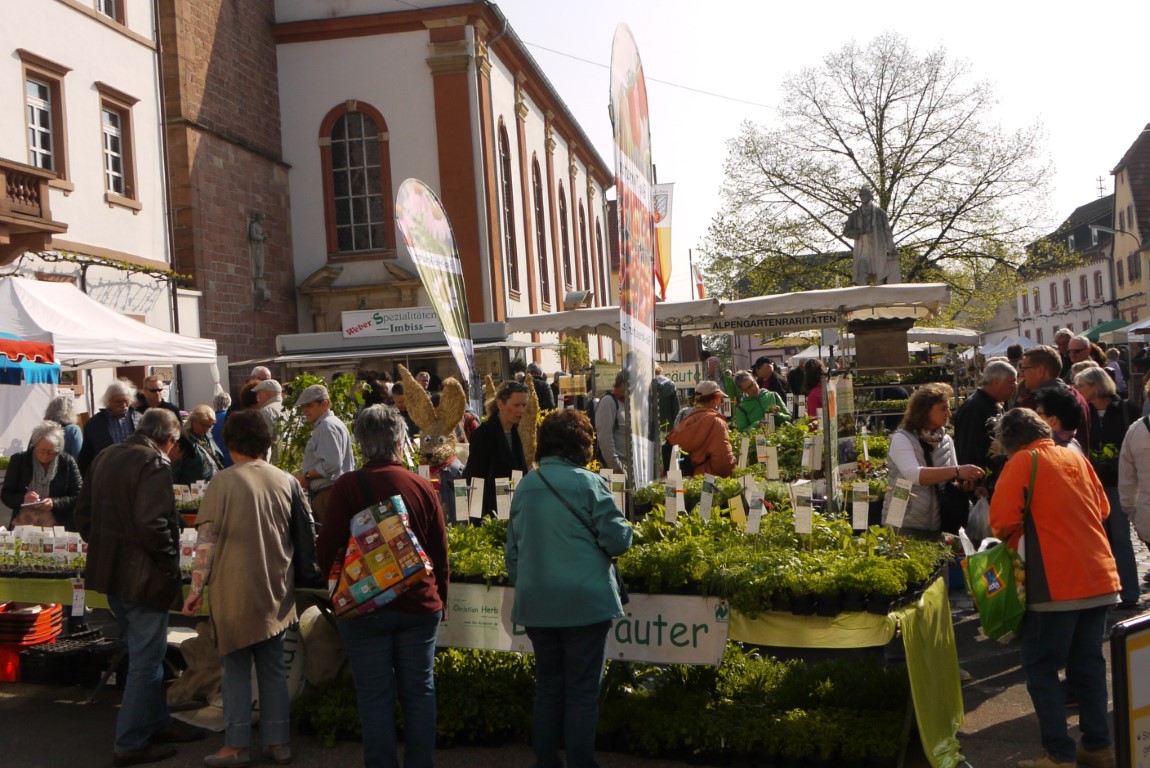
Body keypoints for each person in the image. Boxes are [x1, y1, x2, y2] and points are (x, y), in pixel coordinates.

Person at [316, 405, 449, 768]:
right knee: (420, 691)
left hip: (362, 608)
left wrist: (342, 581)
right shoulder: (422, 485)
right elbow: (439, 553)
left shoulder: (347, 486)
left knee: (374, 696)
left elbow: (326, 548)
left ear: (360, 441)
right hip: (419, 606)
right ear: (399, 439)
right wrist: (442, 603)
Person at [988, 408, 1118, 768]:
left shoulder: (1022, 463)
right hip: (1099, 574)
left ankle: (1059, 754)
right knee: (1088, 665)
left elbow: (1001, 523)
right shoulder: (1074, 455)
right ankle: (1097, 745)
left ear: (1010, 441)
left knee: (1041, 665)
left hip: (1054, 581)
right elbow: (1103, 508)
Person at [75, 409, 205, 766]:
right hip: (141, 576)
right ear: (170, 440)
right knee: (147, 660)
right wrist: (168, 565)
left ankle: (155, 723)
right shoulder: (154, 462)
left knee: (145, 653)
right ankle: (130, 742)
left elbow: (83, 515)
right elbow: (154, 524)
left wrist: (107, 545)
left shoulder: (108, 455)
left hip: (113, 573)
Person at [505, 409, 632, 768]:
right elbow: (619, 540)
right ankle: (580, 762)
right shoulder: (590, 483)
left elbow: (512, 551)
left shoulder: (527, 485)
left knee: (548, 687)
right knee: (581, 690)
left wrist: (531, 583)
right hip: (585, 603)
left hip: (538, 603)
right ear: (582, 445)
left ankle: (545, 761)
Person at [182, 411, 295, 767]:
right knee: (273, 669)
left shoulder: (222, 482)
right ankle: (279, 743)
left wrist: (195, 588)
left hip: (234, 589)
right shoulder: (285, 480)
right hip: (276, 587)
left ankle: (235, 745)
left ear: (230, 445)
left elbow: (207, 543)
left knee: (234, 670)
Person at [1073, 365, 1142, 610]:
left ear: (1097, 386)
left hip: (1119, 483)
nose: (1078, 391)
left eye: (1082, 386)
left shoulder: (1125, 409)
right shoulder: (1082, 413)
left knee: (1121, 538)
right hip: (1092, 484)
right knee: (1100, 539)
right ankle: (1106, 588)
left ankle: (1129, 592)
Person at [883, 383, 985, 537]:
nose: (949, 414)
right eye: (943, 409)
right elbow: (914, 475)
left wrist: (966, 485)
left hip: (938, 522)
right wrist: (957, 471)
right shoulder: (902, 439)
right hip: (904, 523)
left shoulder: (945, 440)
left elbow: (950, 479)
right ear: (924, 411)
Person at [463, 380, 530, 517]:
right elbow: (475, 476)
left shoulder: (514, 431)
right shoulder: (484, 433)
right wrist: (476, 519)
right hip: (491, 512)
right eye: (516, 405)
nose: (521, 410)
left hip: (513, 507)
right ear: (500, 404)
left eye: (524, 405)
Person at [1, 421, 82, 529]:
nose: (45, 456)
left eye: (52, 452)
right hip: (23, 524)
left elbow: (78, 496)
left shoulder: (67, 462)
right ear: (34, 446)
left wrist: (54, 503)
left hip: (57, 525)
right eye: (41, 451)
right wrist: (23, 499)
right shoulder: (19, 460)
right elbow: (6, 494)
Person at [294, 384, 355, 524]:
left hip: (329, 492)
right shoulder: (330, 424)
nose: (305, 410)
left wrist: (307, 476)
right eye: (303, 406)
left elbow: (332, 463)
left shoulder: (327, 426)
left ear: (325, 403)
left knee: (332, 541)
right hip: (332, 491)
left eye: (309, 405)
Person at [1016, 345, 1090, 449]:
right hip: (1078, 460)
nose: (1022, 374)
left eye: (1024, 369)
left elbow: (1023, 447)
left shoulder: (1033, 402)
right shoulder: (1078, 395)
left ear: (1041, 370)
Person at [952, 361, 1015, 471]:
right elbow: (968, 449)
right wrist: (976, 482)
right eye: (1011, 382)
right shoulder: (974, 408)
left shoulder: (992, 403)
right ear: (996, 382)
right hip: (980, 481)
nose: (1015, 386)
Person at [666, 381, 736, 478]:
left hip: (683, 481)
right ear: (715, 400)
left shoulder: (685, 419)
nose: (720, 403)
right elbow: (723, 462)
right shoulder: (716, 423)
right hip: (709, 481)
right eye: (720, 399)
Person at [78, 380, 143, 476]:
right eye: (118, 401)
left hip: (134, 472)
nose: (123, 405)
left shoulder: (139, 419)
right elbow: (86, 455)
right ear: (108, 401)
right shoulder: (95, 423)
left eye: (126, 401)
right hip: (106, 474)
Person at [842, 185, 899, 286]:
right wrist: (858, 233)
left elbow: (887, 232)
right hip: (862, 251)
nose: (862, 197)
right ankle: (862, 300)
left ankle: (880, 300)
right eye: (861, 195)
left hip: (877, 251)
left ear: (870, 196)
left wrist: (891, 249)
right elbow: (846, 231)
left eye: (865, 194)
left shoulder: (880, 213)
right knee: (861, 276)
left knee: (879, 280)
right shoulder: (854, 215)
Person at [1033, 386, 1084, 454]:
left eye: (1039, 413)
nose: (1034, 417)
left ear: (1052, 420)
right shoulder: (1073, 444)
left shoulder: (1060, 452)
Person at [594, 371, 628, 471]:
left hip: (636, 471)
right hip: (620, 470)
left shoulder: (633, 404)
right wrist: (617, 467)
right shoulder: (608, 402)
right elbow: (605, 438)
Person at [253, 379, 286, 461]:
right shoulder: (292, 408)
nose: (257, 397)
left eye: (259, 393)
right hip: (292, 463)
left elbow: (264, 444)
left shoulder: (265, 412)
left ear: (267, 395)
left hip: (275, 463)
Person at [43, 394, 83, 461]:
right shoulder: (73, 430)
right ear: (70, 412)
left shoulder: (41, 430)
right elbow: (79, 458)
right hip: (66, 470)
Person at [212, 391, 234, 467]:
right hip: (231, 458)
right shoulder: (232, 418)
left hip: (214, 458)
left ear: (214, 403)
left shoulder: (210, 419)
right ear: (229, 403)